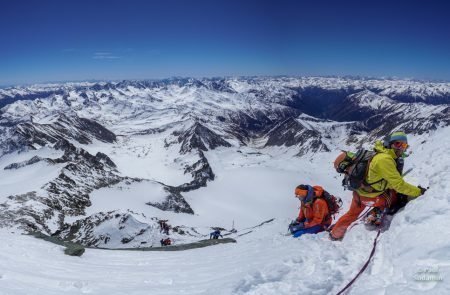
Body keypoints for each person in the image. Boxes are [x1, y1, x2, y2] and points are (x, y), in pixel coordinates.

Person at [330, 131, 427, 241]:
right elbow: (399, 185)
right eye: (397, 144)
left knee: (351, 214)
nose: (401, 148)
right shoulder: (385, 159)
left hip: (358, 193)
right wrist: (419, 192)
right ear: (389, 144)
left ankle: (334, 235)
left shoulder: (377, 153)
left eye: (404, 145)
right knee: (395, 199)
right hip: (373, 197)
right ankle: (375, 214)